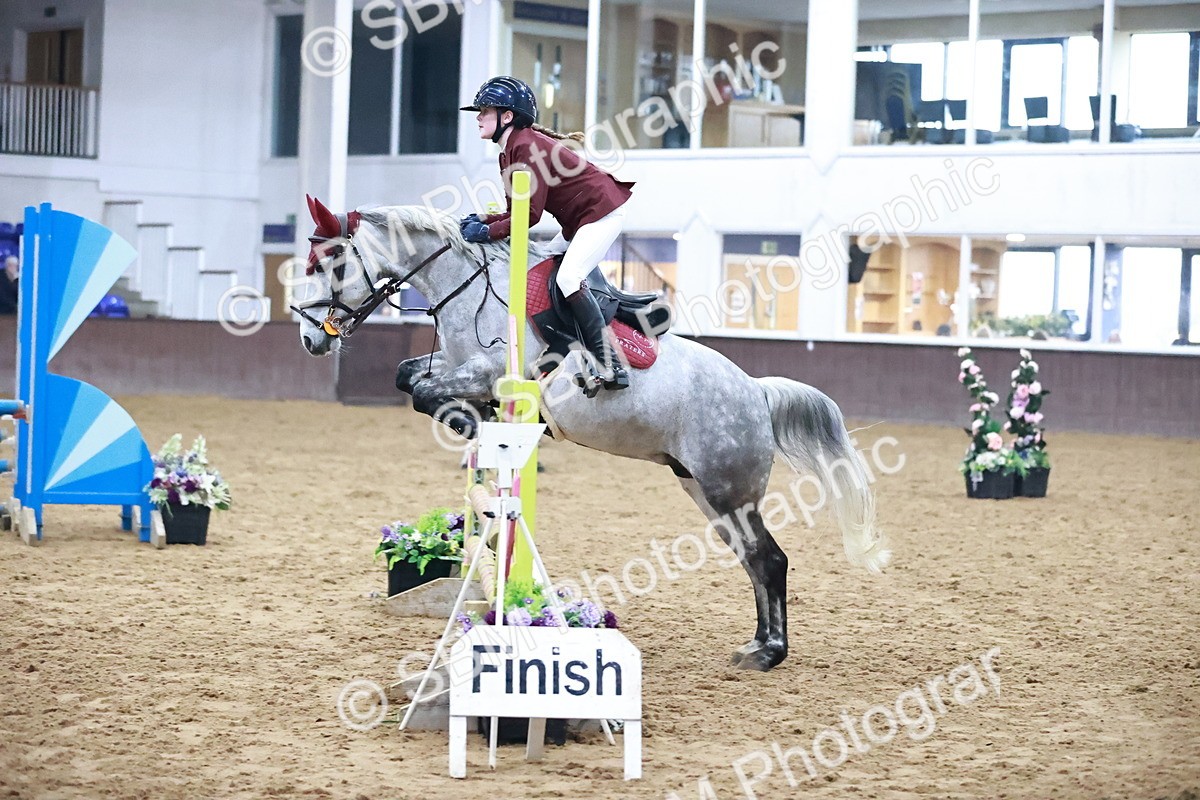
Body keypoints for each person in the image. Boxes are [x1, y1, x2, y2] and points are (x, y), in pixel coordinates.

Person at [459, 76, 635, 395]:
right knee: (540, 269)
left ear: (507, 116)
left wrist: (486, 231)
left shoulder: (524, 146)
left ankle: (611, 365)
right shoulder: (510, 150)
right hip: (579, 220)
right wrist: (485, 219)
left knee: (569, 279)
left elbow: (529, 216)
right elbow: (517, 210)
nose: (478, 116)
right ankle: (563, 344)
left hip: (601, 212)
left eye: (484, 110)